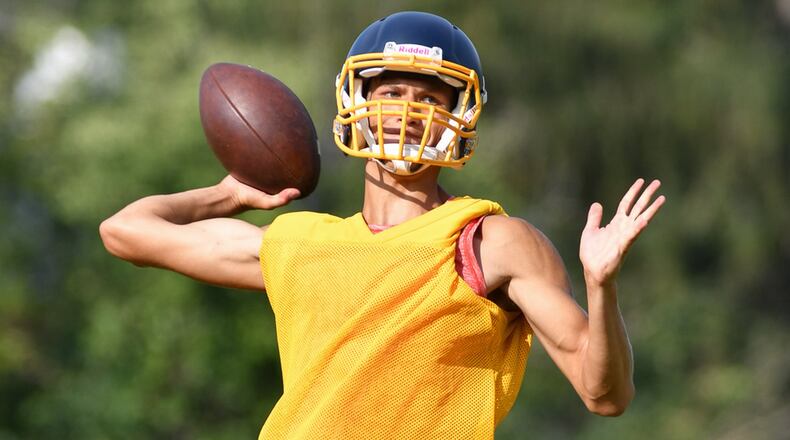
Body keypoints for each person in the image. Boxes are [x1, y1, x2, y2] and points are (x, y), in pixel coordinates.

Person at [99, 11, 665, 439]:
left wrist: (601, 285)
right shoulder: (303, 243)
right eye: (392, 92)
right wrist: (227, 194)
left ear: (459, 115)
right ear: (358, 100)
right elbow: (124, 231)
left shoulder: (489, 240)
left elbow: (604, 394)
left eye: (429, 95)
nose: (408, 110)